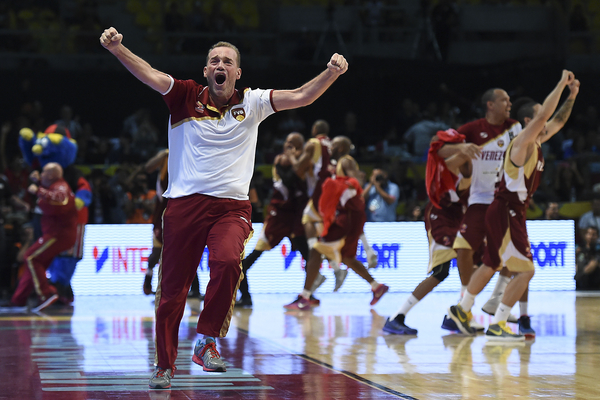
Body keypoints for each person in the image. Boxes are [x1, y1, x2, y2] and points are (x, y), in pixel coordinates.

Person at [100, 27, 348, 389]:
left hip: (232, 208)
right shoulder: (184, 94)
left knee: (229, 261)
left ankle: (206, 340)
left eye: (227, 61)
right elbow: (150, 74)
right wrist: (118, 49)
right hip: (183, 207)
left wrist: (332, 72)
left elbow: (302, 96)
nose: (220, 65)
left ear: (237, 73)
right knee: (171, 293)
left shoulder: (254, 102)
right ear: (206, 71)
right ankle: (164, 366)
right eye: (214, 60)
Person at [448, 71, 579, 341]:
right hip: (507, 210)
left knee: (491, 263)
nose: (547, 118)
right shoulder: (521, 143)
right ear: (530, 121)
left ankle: (462, 310)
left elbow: (558, 120)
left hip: (507, 210)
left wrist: (573, 95)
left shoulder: (538, 140)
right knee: (526, 270)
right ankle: (499, 323)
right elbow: (545, 117)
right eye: (541, 114)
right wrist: (560, 84)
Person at [437, 87, 523, 328]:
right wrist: (460, 148)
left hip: (505, 199)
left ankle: (496, 298)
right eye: (504, 100)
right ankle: (465, 301)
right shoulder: (473, 129)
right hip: (479, 198)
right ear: (490, 105)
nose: (509, 103)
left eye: (510, 100)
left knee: (512, 254)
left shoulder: (516, 127)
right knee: (462, 248)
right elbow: (439, 148)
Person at [383, 128, 478, 335]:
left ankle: (462, 312)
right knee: (442, 271)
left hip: (458, 215)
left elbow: (464, 167)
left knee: (478, 262)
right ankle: (396, 317)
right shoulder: (443, 163)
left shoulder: (465, 164)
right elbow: (439, 148)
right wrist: (465, 147)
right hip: (441, 216)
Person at [284, 138, 389, 310]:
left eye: (333, 146)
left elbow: (357, 180)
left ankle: (305, 297)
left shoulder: (345, 161)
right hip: (347, 215)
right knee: (347, 257)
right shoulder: (336, 164)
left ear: (340, 147)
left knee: (316, 251)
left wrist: (344, 186)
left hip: (347, 215)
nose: (330, 148)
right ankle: (376, 287)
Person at [236, 132, 311, 307]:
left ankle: (308, 295)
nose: (292, 148)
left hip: (295, 217)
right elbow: (290, 179)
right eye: (289, 143)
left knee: (310, 257)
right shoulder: (282, 160)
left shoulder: (305, 161)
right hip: (279, 216)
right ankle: (245, 295)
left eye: (296, 145)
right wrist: (293, 158)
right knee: (247, 260)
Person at [5, 162, 77, 312]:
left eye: (43, 173)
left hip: (58, 234)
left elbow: (59, 199)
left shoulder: (60, 186)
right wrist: (39, 184)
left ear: (51, 175)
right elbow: (51, 195)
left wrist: (38, 190)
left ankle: (46, 294)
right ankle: (18, 300)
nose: (41, 175)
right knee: (36, 264)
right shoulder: (53, 186)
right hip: (54, 233)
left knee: (31, 257)